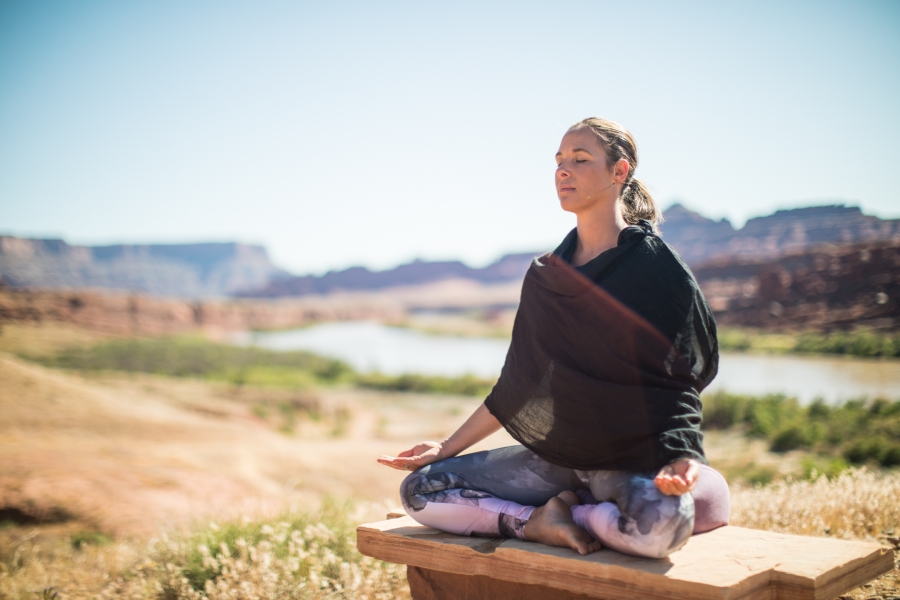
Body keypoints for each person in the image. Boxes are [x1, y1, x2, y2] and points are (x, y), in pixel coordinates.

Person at [377, 118, 730, 559]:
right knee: (419, 490)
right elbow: (516, 388)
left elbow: (682, 375)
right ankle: (538, 522)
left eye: (580, 160)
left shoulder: (654, 266)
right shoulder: (546, 275)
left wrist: (683, 454)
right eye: (559, 161)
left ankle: (579, 515)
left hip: (631, 458)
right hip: (558, 460)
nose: (563, 171)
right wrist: (445, 447)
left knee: (664, 525)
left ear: (619, 172)